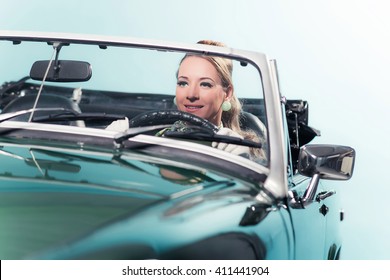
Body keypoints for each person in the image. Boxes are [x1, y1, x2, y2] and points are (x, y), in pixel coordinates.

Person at [167, 40, 265, 160]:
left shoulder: (245, 150)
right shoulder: (152, 135)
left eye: (205, 84)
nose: (191, 94)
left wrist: (243, 161)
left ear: (227, 93)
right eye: (183, 83)